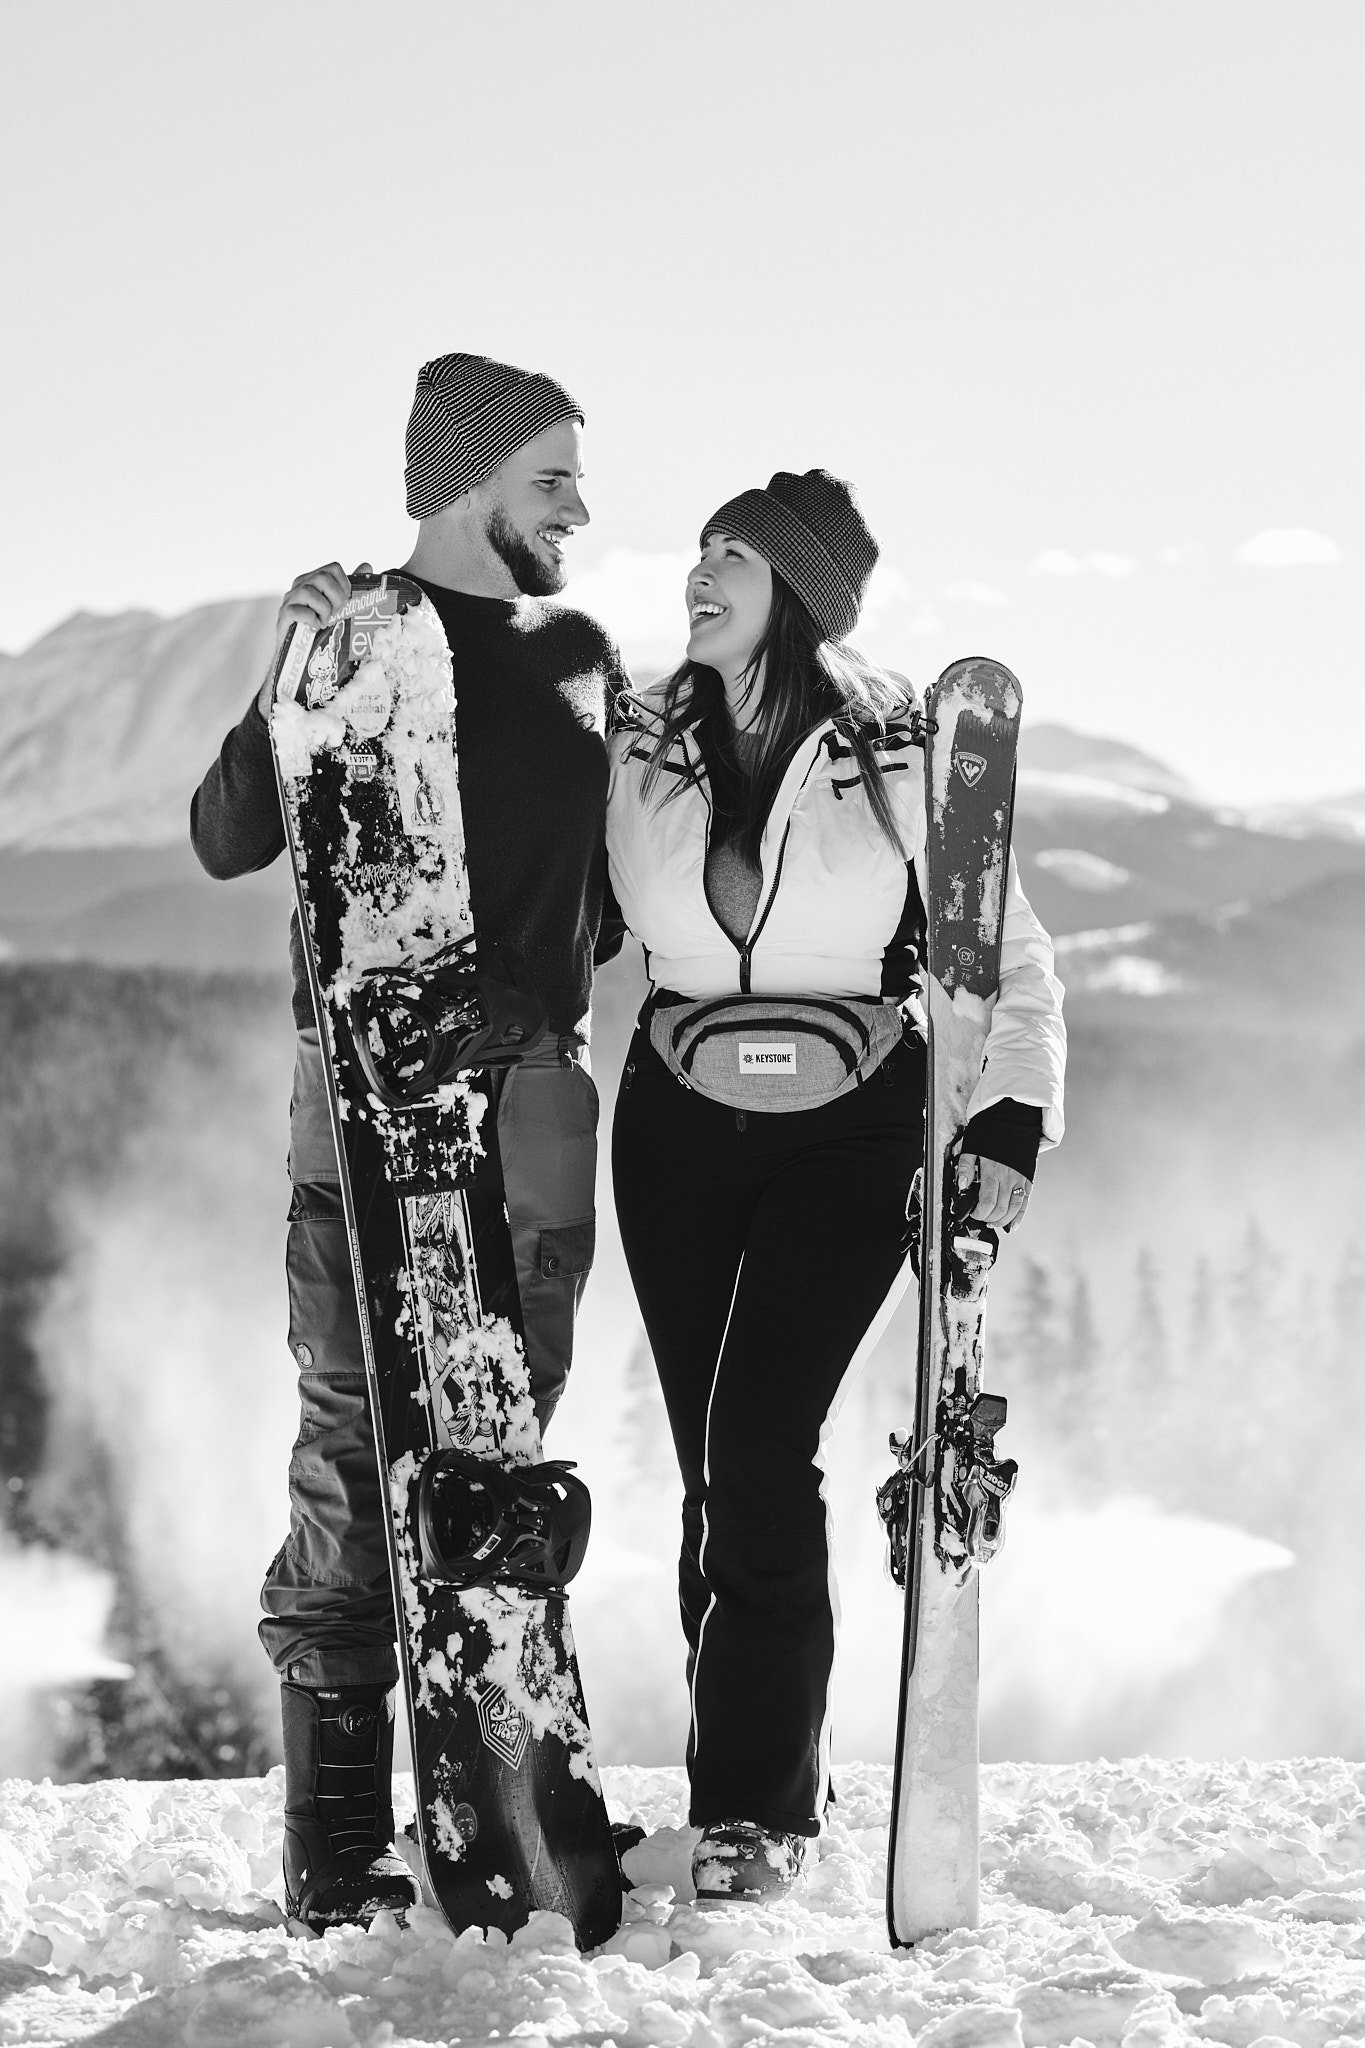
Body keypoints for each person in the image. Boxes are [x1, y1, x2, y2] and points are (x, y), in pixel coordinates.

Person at [190, 353, 627, 1928]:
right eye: (552, 480)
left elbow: (625, 894)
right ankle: (332, 1840)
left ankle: (501, 1787)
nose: (581, 507)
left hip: (535, 1098)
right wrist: (285, 667)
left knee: (500, 1446)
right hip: (365, 1098)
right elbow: (234, 835)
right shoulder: (359, 634)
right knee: (353, 1440)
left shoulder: (586, 658)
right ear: (461, 486)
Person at [605, 469, 1065, 1902]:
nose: (698, 570)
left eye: (732, 554)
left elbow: (1015, 957)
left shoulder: (896, 751)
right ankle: (729, 1785)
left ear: (797, 593)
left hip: (850, 1128)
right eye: (697, 547)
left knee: (757, 1445)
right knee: (706, 1471)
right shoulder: (635, 742)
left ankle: (756, 1812)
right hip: (671, 1125)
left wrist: (1005, 1124)